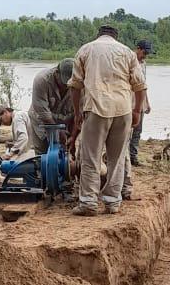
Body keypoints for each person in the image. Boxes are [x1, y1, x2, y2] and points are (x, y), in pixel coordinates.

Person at [69, 25, 147, 216]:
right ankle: (112, 202)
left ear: (99, 35)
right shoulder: (127, 52)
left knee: (91, 158)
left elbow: (75, 86)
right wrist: (137, 111)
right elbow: (140, 86)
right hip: (123, 109)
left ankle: (88, 202)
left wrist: (77, 113)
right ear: (115, 37)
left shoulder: (86, 50)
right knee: (117, 158)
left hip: (96, 108)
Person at [28, 59, 75, 153]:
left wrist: (73, 135)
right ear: (56, 73)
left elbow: (79, 113)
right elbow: (43, 113)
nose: (67, 86)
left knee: (67, 150)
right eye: (64, 83)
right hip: (42, 121)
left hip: (66, 121)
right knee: (42, 153)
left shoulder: (80, 82)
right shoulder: (42, 80)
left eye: (70, 84)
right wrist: (57, 131)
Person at [128, 40, 154, 166]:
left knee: (138, 131)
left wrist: (147, 102)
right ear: (138, 49)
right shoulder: (128, 61)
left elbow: (143, 85)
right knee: (125, 130)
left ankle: (133, 156)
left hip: (140, 102)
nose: (145, 56)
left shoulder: (143, 64)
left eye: (147, 54)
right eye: (144, 53)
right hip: (128, 102)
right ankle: (124, 157)